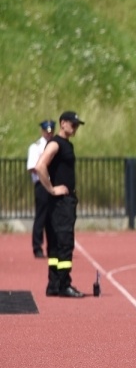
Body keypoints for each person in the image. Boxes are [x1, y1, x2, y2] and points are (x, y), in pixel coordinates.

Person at [34, 111, 86, 298]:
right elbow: (40, 166)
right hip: (61, 202)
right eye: (73, 124)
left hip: (61, 203)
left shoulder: (65, 144)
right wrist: (52, 189)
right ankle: (64, 284)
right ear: (63, 123)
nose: (75, 127)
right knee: (64, 242)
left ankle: (54, 284)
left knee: (55, 244)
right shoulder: (56, 143)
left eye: (77, 125)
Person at [26, 119, 56, 258]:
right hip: (42, 184)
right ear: (43, 131)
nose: (49, 134)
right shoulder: (36, 147)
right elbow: (33, 167)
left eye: (51, 131)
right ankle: (37, 247)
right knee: (41, 216)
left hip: (53, 184)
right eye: (46, 131)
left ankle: (52, 247)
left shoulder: (56, 145)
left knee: (52, 217)